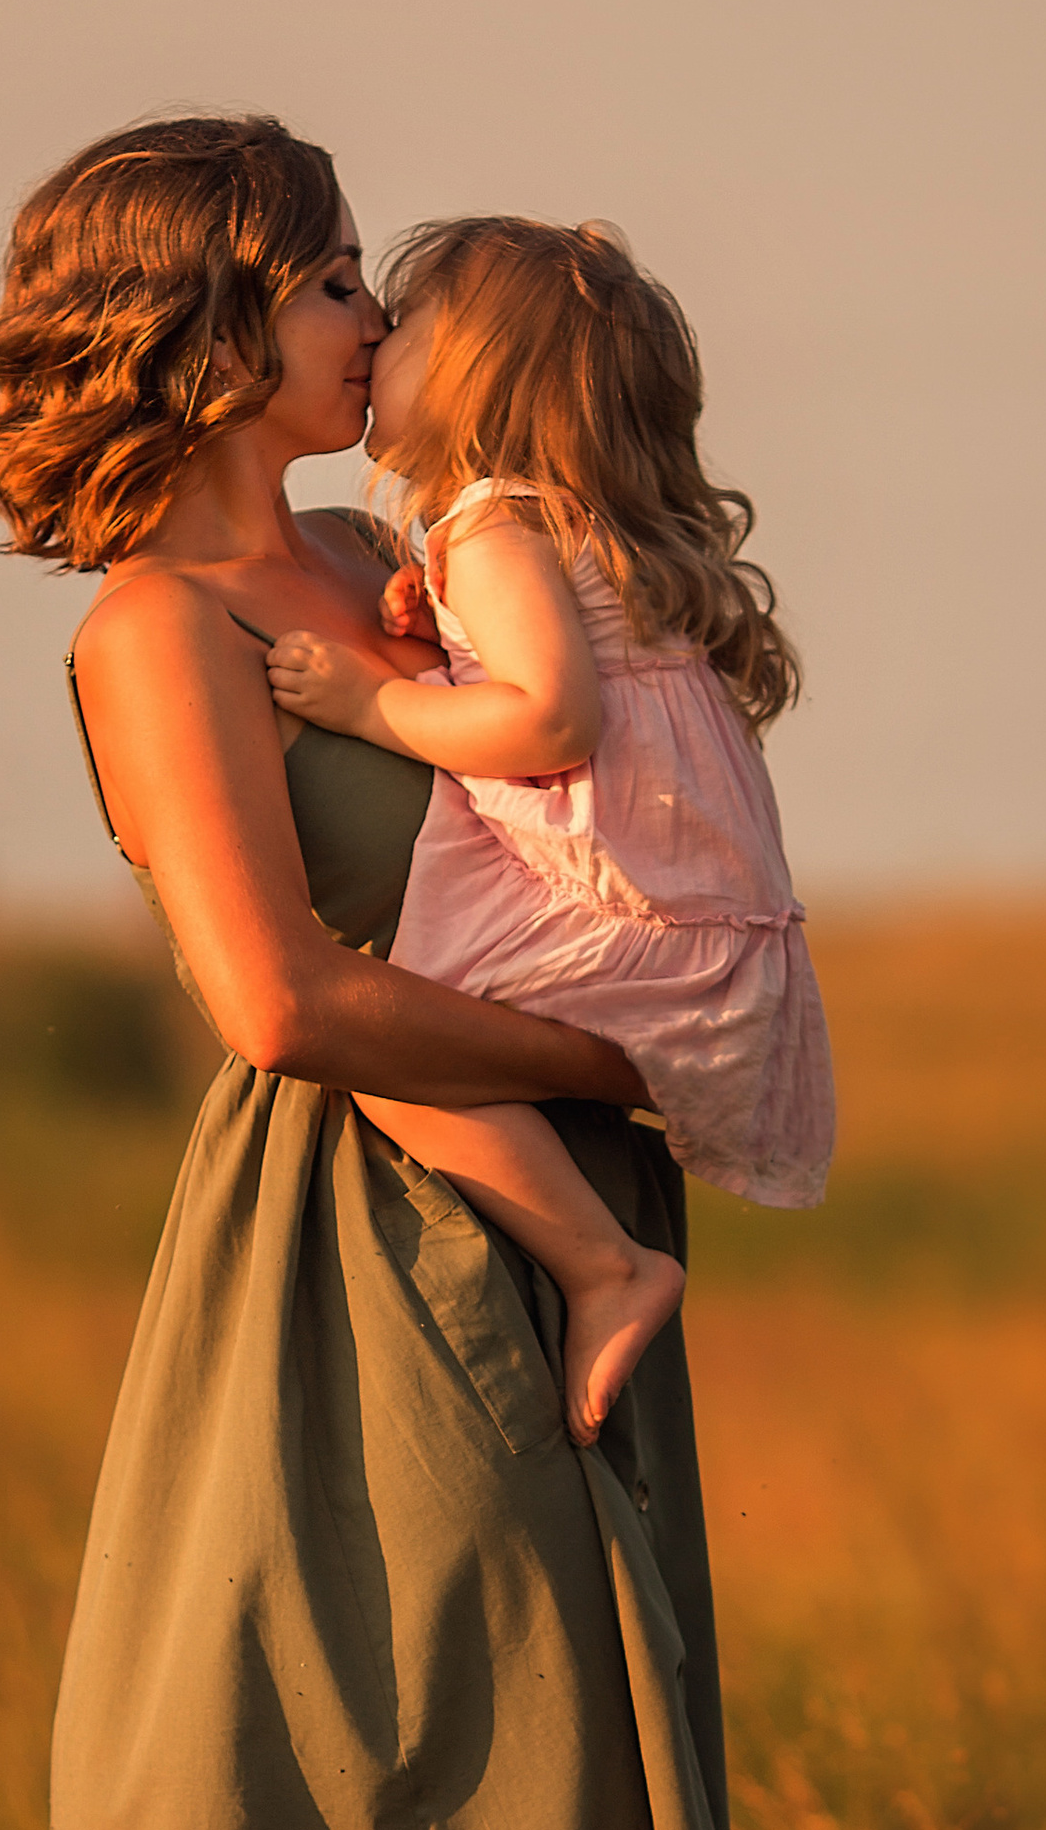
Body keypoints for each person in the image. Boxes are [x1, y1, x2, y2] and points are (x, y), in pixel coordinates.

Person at [0, 118, 771, 1830]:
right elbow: (276, 994)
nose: (357, 312)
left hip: (554, 1221)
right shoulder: (154, 622)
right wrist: (610, 1066)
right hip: (363, 1240)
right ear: (204, 328)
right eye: (315, 273)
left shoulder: (410, 554)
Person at [264, 216, 833, 1448]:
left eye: (400, 321)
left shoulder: (488, 524)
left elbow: (552, 719)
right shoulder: (550, 525)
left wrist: (375, 699)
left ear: (473, 372)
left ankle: (598, 1265)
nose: (371, 334)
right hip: (714, 944)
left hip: (656, 940)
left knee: (378, 1021)